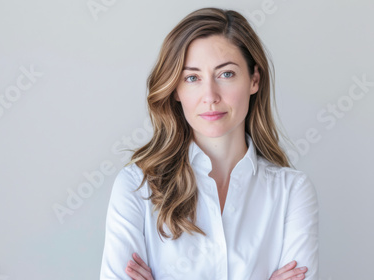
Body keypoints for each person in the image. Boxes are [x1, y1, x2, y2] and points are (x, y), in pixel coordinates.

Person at [99, 7, 319, 280]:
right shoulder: (136, 187)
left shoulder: (292, 193)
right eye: (192, 78)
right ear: (176, 90)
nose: (210, 96)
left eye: (226, 74)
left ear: (254, 79)